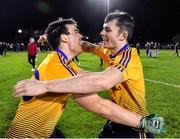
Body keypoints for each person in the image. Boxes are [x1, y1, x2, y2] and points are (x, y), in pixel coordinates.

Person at [13, 11, 165, 138]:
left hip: (132, 126)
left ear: (123, 36)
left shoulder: (127, 57)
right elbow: (98, 101)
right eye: (76, 32)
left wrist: (53, 38)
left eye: (107, 29)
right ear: (64, 38)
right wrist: (53, 36)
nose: (101, 33)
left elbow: (99, 80)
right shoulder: (69, 65)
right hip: (34, 132)